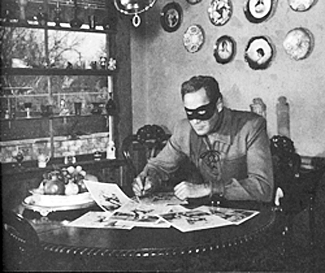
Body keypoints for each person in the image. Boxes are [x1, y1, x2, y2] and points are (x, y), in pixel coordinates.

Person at [132, 75, 274, 202]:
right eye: (190, 113)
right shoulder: (184, 129)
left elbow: (262, 187)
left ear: (218, 105)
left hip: (247, 214)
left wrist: (207, 189)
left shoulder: (251, 127)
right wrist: (148, 179)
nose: (195, 121)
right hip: (206, 215)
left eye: (202, 112)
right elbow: (159, 166)